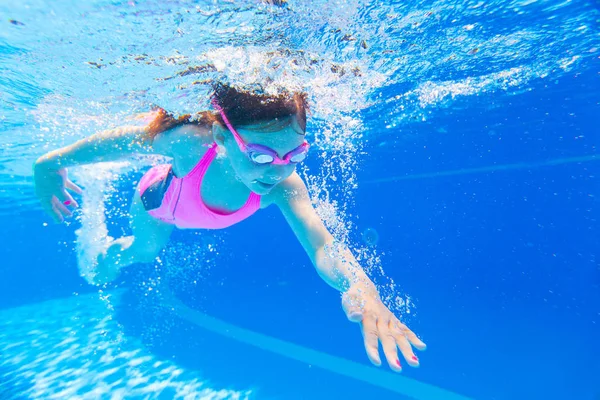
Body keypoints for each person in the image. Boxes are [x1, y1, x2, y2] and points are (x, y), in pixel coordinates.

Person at [33, 83, 426, 372]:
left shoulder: (283, 186)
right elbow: (114, 144)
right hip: (160, 203)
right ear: (224, 136)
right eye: (258, 154)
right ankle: (104, 255)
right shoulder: (190, 143)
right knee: (144, 251)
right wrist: (49, 164)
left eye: (295, 153)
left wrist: (361, 286)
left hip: (195, 211)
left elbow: (323, 247)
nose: (278, 169)